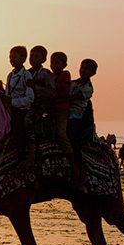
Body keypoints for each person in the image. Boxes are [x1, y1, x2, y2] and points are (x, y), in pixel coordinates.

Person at [48, 51, 77, 180]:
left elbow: (65, 92)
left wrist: (52, 99)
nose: (54, 65)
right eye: (52, 62)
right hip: (52, 110)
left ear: (64, 64)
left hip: (62, 109)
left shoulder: (65, 75)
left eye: (57, 62)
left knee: (61, 134)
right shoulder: (51, 76)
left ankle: (73, 164)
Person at [3, 45, 33, 159]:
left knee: (16, 127)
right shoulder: (11, 75)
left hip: (21, 108)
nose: (11, 60)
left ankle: (23, 154)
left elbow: (29, 98)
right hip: (11, 107)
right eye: (10, 57)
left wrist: (12, 102)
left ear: (23, 59)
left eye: (14, 57)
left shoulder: (26, 75)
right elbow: (7, 93)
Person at [67, 58, 97, 146]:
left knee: (71, 139)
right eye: (82, 68)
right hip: (65, 112)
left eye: (86, 69)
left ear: (93, 73)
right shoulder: (73, 82)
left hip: (75, 116)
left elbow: (72, 97)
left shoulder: (88, 88)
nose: (83, 70)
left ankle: (75, 158)